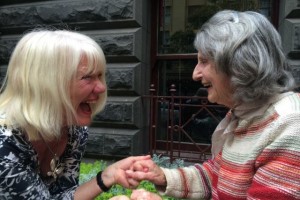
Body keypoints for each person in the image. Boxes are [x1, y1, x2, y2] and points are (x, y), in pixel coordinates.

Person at [125, 10, 300, 199]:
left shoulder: (290, 127)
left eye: (204, 61)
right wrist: (164, 177)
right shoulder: (247, 113)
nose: (195, 74)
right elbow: (217, 175)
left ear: (239, 63)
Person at [0, 29, 151, 200]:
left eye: (100, 76)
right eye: (87, 77)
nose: (101, 87)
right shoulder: (4, 145)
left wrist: (108, 176)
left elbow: (62, 196)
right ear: (46, 85)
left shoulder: (74, 132)